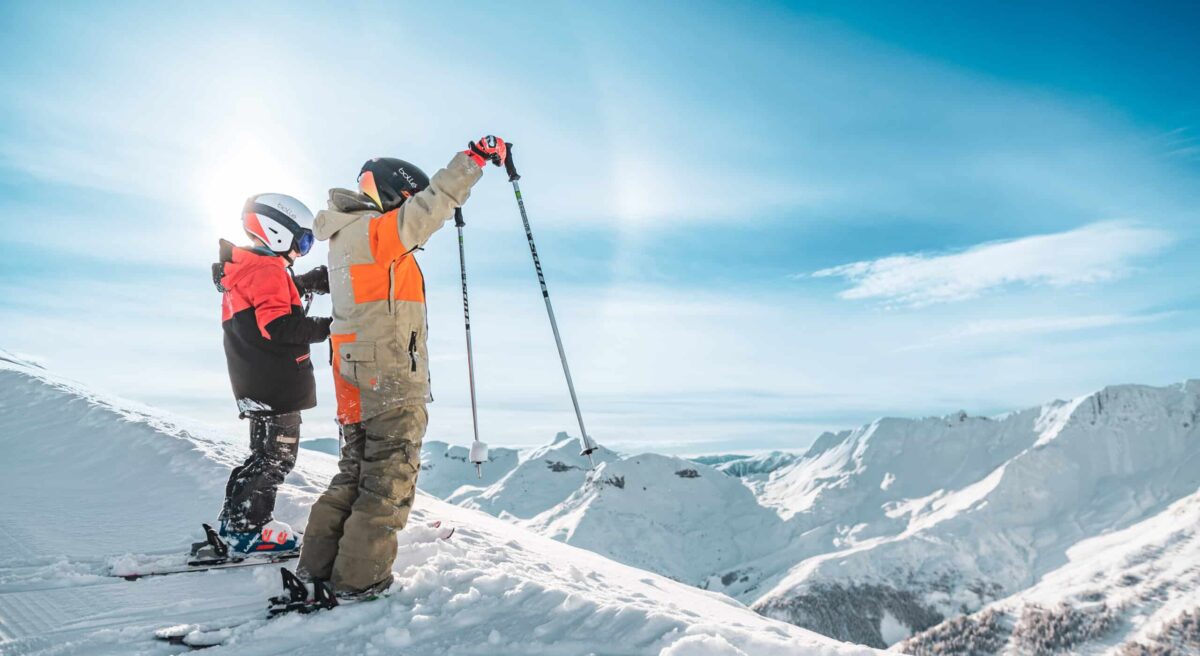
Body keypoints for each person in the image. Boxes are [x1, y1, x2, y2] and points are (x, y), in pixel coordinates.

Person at [296, 136, 509, 597]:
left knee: (353, 474)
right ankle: (360, 580)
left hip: (352, 378)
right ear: (396, 196)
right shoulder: (377, 233)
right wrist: (474, 160)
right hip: (389, 378)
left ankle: (316, 567)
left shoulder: (342, 239)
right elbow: (436, 203)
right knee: (386, 483)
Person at [200, 193, 332, 557]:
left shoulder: (246, 268)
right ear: (277, 231)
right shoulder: (268, 268)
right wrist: (330, 327)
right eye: (302, 241)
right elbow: (277, 324)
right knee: (277, 458)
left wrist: (305, 283)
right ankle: (250, 529)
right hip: (277, 384)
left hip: (254, 382)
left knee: (261, 455)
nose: (301, 250)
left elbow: (267, 299)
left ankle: (235, 521)